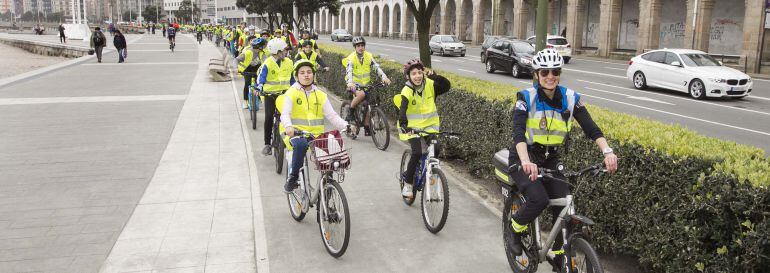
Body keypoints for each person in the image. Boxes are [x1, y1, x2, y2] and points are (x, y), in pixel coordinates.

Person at [506, 49, 618, 270]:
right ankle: (514, 227)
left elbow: (591, 127)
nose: (550, 76)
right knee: (539, 200)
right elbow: (518, 133)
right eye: (545, 71)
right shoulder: (526, 97)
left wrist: (607, 152)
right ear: (537, 74)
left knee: (565, 203)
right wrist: (526, 160)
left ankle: (559, 253)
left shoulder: (569, 98)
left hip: (550, 158)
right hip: (524, 157)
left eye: (555, 71)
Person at [280, 60, 353, 193]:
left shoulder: (320, 95)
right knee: (301, 145)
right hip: (298, 134)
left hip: (317, 136)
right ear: (297, 76)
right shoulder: (291, 93)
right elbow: (285, 114)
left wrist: (346, 125)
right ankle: (293, 178)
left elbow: (332, 116)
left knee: (331, 159)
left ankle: (328, 192)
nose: (306, 75)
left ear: (313, 75)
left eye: (309, 72)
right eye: (302, 73)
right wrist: (289, 126)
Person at [394, 59, 451, 198]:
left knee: (436, 148)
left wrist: (434, 76)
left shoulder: (430, 84)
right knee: (417, 152)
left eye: (420, 72)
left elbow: (446, 86)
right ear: (408, 76)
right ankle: (408, 183)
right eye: (414, 73)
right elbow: (402, 110)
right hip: (412, 128)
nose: (417, 76)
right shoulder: (406, 90)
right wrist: (403, 125)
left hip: (430, 126)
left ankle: (430, 173)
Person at [254, 38, 295, 156]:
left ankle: (291, 140)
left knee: (288, 117)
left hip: (284, 95)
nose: (286, 52)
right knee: (268, 117)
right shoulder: (268, 63)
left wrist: (297, 89)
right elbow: (261, 78)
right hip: (270, 95)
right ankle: (267, 144)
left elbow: (292, 79)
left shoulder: (289, 62)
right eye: (284, 50)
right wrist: (259, 87)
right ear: (277, 52)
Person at [343, 36, 391, 128]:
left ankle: (366, 126)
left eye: (362, 45)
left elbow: (376, 67)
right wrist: (350, 83)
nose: (361, 48)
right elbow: (349, 71)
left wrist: (384, 77)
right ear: (355, 47)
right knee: (361, 95)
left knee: (369, 103)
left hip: (366, 85)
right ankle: (351, 112)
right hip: (354, 85)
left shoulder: (368, 56)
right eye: (358, 46)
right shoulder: (351, 58)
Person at [237, 37, 267, 108]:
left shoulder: (262, 53)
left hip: (257, 70)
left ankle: (259, 99)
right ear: (260, 46)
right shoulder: (248, 52)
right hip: (247, 70)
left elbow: (266, 62)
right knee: (247, 83)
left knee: (260, 83)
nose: (265, 47)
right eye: (264, 46)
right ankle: (245, 101)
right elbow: (236, 60)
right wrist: (236, 69)